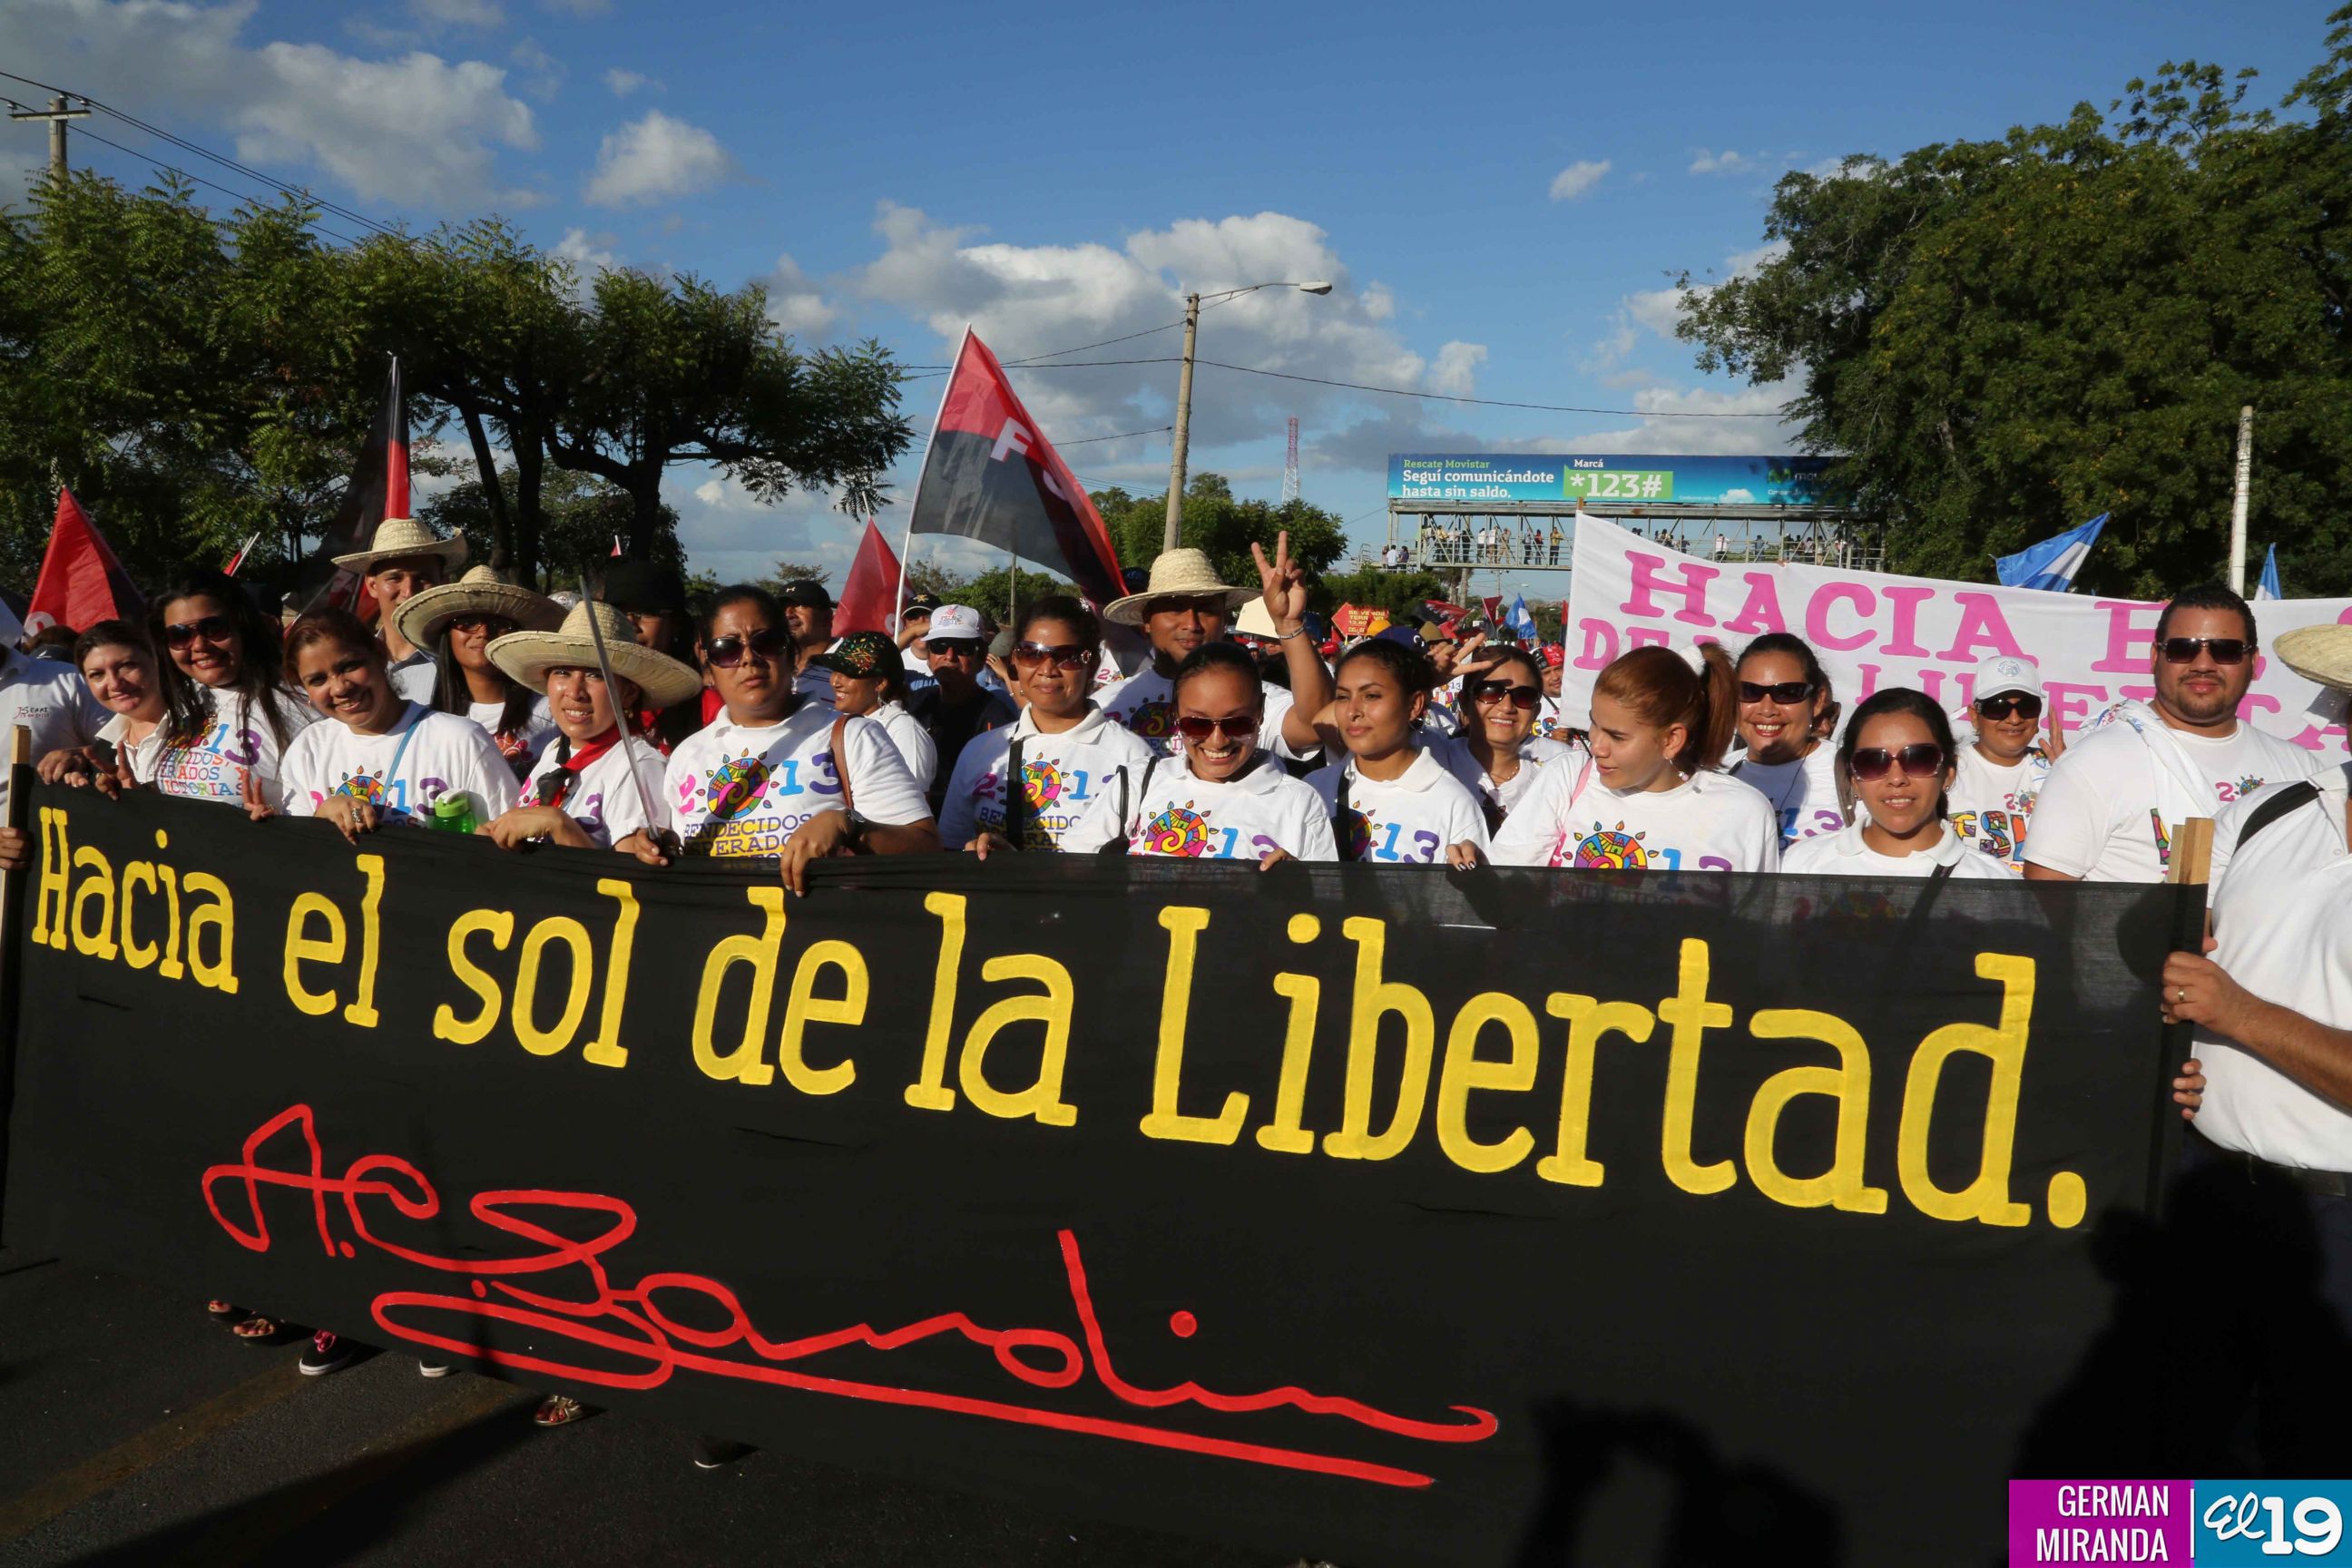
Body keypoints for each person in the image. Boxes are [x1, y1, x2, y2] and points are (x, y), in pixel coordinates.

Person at [2156, 620, 2352, 1469]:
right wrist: (2168, 1046)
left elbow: (2226, 998)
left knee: (2311, 1480)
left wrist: (2235, 1016)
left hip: (2338, 1227)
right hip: (2210, 1188)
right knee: (2172, 1462)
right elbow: (2181, 966)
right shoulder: (2270, 809)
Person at [2026, 583, 2320, 883]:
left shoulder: (2301, 770)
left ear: (2254, 662)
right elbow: (2048, 897)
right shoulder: (2094, 762)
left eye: (2225, 651)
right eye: (2183, 649)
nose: (2203, 664)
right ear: (2156, 656)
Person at [661, 585, 938, 893]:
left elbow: (926, 848)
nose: (749, 659)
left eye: (766, 642)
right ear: (708, 669)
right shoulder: (687, 756)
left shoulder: (854, 737)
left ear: (793, 655)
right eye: (727, 649)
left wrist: (849, 826)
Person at [1491, 644, 1778, 872]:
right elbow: (1507, 891)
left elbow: (1753, 929)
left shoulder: (1743, 812)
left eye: (1617, 736)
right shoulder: (1567, 777)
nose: (1597, 746)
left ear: (1671, 739)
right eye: (1594, 724)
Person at [1063, 642, 1334, 863]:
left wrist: (1300, 885)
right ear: (1175, 714)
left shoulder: (1299, 802)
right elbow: (1072, 874)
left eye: (1237, 723)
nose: (1217, 740)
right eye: (1197, 724)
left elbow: (1326, 905)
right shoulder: (1137, 784)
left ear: (1260, 712)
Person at [272, 609, 520, 839]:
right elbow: (299, 852)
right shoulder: (310, 748)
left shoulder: (459, 740)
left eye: (349, 666)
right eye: (318, 680)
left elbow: (512, 838)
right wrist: (325, 814)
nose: (339, 688)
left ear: (379, 655)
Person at [483, 600, 697, 858]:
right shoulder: (555, 752)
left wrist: (559, 825)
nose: (575, 691)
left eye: (595, 675)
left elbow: (630, 884)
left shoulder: (638, 766)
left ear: (628, 693)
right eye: (562, 672)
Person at [943, 597, 1155, 855]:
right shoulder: (981, 751)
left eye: (1067, 657)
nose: (1047, 669)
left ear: (1093, 666)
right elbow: (950, 847)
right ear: (1015, 662)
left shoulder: (1132, 756)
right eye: (1031, 653)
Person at [1102, 544, 1329, 764]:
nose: (1191, 624)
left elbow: (1315, 726)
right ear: (1147, 620)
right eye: (1175, 608)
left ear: (1224, 619)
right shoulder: (1107, 704)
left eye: (1206, 609)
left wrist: (1289, 625)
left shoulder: (1251, 697)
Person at [1782, 689, 2019, 879]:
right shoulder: (1800, 865)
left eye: (1919, 759)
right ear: (1853, 780)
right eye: (1872, 761)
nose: (1896, 779)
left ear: (1948, 773)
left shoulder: (1995, 883)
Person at [126, 571, 314, 810]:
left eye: (214, 628)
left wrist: (275, 826)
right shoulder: (175, 702)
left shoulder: (302, 707)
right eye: (179, 635)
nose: (199, 645)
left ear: (242, 626)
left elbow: (349, 806)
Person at [1308, 637, 1487, 867]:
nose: (1352, 711)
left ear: (1414, 705)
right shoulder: (1314, 788)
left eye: (1371, 696)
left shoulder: (1453, 803)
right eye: (1342, 696)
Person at [393, 565, 563, 779]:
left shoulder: (552, 709)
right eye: (467, 623)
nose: (483, 632)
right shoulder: (425, 720)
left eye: (499, 624)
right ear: (448, 635)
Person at [1431, 646, 1580, 829]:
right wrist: (1424, 682)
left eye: (1524, 696)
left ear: (1536, 711)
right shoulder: (1434, 756)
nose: (1507, 707)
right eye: (1489, 692)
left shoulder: (1563, 764)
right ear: (1464, 702)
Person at [330, 516, 468, 702]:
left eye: (423, 579)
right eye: (394, 578)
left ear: (442, 583)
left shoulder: (465, 664)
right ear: (372, 585)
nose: (409, 592)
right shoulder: (347, 663)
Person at [1726, 632, 1846, 845]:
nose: (1767, 709)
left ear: (1817, 702)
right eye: (1749, 691)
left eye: (1787, 693)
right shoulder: (1712, 775)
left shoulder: (1856, 773)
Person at [1946, 654, 2062, 871]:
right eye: (1998, 707)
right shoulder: (1944, 770)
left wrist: (2071, 777)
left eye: (2027, 707)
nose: (2015, 719)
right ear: (1974, 716)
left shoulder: (2059, 769)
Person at [914, 604, 1019, 808]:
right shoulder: (914, 704)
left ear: (981, 658)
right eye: (939, 646)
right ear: (928, 657)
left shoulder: (998, 717)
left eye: (963, 648)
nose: (950, 655)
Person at [808, 631, 937, 795]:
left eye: (848, 674)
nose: (835, 682)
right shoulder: (839, 724)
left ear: (879, 683)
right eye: (835, 671)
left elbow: (908, 810)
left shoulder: (904, 732)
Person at [42, 622, 167, 788]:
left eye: (126, 666)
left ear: (157, 662)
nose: (115, 684)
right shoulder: (100, 756)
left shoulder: (202, 729)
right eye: (97, 674)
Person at [599, 559, 707, 751]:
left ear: (676, 624)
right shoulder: (590, 696)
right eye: (618, 613)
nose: (630, 623)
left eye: (646, 612)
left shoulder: (708, 707)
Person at [778, 578, 838, 708]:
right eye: (782, 608)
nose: (788, 614)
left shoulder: (851, 662)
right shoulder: (772, 663)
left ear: (827, 617)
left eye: (799, 605)